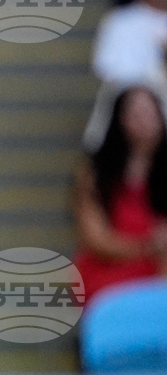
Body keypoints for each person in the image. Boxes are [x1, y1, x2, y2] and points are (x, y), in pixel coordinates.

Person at [74, 86, 167, 302]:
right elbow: (96, 240)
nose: (144, 121)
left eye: (149, 113)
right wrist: (150, 246)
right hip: (111, 272)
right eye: (136, 114)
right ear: (119, 119)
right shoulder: (95, 175)